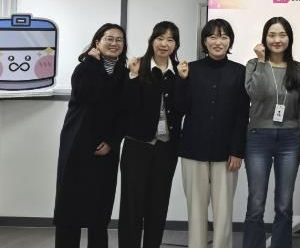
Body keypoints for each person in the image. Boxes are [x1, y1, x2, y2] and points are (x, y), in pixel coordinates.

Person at [175, 18, 250, 248]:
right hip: (193, 149)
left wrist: (237, 151)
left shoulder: (240, 72)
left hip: (226, 154)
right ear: (204, 41)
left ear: (230, 42)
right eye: (213, 37)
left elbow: (242, 115)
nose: (218, 42)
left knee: (223, 210)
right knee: (195, 209)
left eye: (224, 37)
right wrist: (181, 80)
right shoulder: (191, 69)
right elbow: (180, 108)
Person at [54, 23, 128, 248]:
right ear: (97, 42)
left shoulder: (125, 74)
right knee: (70, 208)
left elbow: (125, 113)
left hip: (106, 148)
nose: (114, 43)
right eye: (109, 39)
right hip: (77, 144)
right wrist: (91, 61)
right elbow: (85, 94)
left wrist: (112, 142)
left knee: (99, 209)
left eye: (119, 40)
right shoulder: (85, 67)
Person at [243, 16, 300, 248]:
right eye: (272, 35)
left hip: (290, 139)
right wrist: (262, 61)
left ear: (289, 38)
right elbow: (257, 94)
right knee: (256, 202)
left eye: (282, 35)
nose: (277, 40)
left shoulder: (298, 69)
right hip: (258, 137)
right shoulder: (254, 64)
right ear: (265, 38)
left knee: (284, 205)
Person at [118, 21, 183, 248]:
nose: (164, 44)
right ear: (152, 40)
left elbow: (184, 107)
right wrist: (133, 77)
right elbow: (126, 107)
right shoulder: (138, 66)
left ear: (176, 45)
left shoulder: (179, 72)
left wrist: (184, 81)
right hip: (137, 145)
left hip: (166, 148)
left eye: (170, 40)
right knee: (132, 205)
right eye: (160, 38)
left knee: (158, 205)